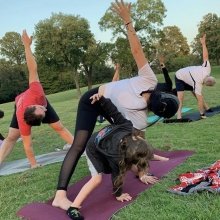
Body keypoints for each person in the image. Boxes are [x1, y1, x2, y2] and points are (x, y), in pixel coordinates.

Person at [52, 0, 179, 210]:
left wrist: (128, 22)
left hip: (98, 98)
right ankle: (60, 195)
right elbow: (140, 141)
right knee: (80, 144)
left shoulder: (149, 84)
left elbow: (137, 51)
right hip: (94, 101)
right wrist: (145, 171)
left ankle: (65, 191)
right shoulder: (143, 111)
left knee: (84, 145)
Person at [66, 95, 158, 220]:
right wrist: (118, 194)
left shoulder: (127, 126)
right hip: (93, 150)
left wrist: (103, 100)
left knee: (134, 163)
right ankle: (73, 207)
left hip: (108, 145)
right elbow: (117, 176)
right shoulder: (117, 157)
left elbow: (113, 111)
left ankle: (140, 174)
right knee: (96, 179)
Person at [0, 30, 74, 168]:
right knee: (11, 137)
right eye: (43, 110)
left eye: (43, 110)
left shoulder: (37, 93)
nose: (45, 109)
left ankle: (77, 147)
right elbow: (27, 144)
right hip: (20, 106)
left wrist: (27, 46)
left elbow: (32, 68)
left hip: (34, 100)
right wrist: (34, 164)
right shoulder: (23, 121)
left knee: (59, 127)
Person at [175, 34, 216, 119]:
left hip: (189, 76)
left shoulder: (207, 69)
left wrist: (203, 44)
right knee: (181, 97)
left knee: (196, 93)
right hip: (179, 76)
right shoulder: (198, 83)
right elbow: (199, 100)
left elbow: (205, 56)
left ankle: (207, 108)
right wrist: (202, 115)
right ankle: (179, 116)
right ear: (206, 84)